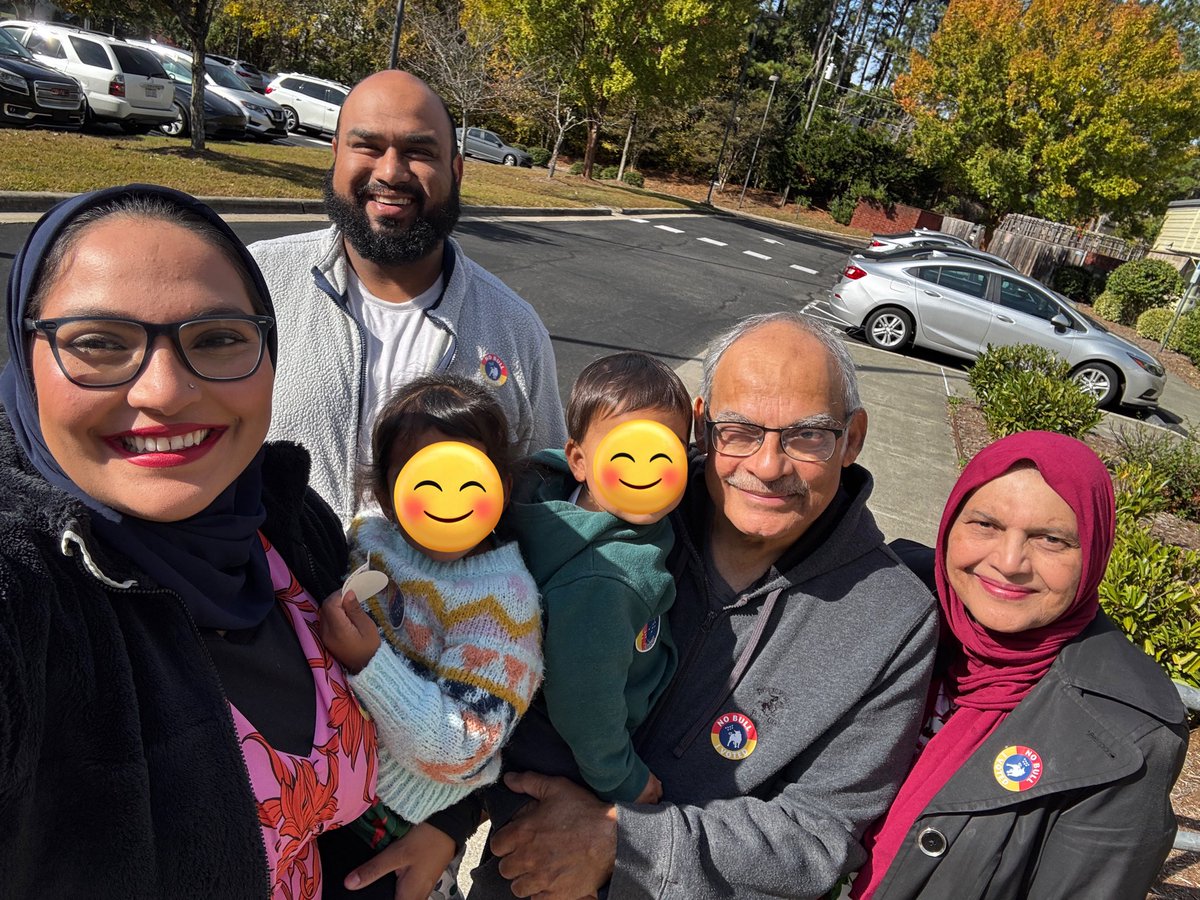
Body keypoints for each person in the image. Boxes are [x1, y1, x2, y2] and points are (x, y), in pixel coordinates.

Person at [473, 312, 939, 899]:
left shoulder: (893, 620)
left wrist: (627, 844)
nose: (769, 467)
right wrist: (449, 820)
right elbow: (473, 668)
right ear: (700, 427)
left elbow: (823, 832)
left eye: (808, 434)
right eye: (739, 430)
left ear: (853, 439)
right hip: (523, 876)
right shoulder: (609, 519)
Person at [0, 184, 376, 897]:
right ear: (26, 357)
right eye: (101, 343)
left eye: (217, 338)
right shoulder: (31, 591)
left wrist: (428, 829)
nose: (165, 391)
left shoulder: (288, 524)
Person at [851, 430, 1188, 899]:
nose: (1009, 563)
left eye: (1050, 539)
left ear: (1092, 553)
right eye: (985, 525)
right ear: (950, 525)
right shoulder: (886, 595)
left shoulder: (1126, 733)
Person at [249, 69, 566, 526]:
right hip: (278, 594)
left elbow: (542, 499)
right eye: (368, 147)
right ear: (335, 155)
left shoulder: (516, 330)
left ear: (455, 171)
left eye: (418, 151)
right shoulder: (257, 284)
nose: (391, 172)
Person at [319, 375, 543, 892]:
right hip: (326, 785)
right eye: (426, 481)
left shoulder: (503, 603)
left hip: (394, 824)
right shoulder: (369, 539)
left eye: (469, 480)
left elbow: (460, 745)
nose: (449, 501)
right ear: (384, 491)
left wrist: (370, 662)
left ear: (501, 488)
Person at [483, 351, 692, 834]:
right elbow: (584, 704)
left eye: (668, 453)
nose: (649, 473)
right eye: (628, 453)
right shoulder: (605, 581)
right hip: (565, 752)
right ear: (579, 459)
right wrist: (625, 778)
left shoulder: (550, 492)